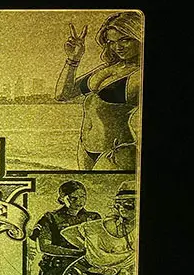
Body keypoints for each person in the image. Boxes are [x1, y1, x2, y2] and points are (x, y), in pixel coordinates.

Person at [55, 11, 142, 170]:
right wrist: (73, 59)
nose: (118, 47)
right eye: (111, 42)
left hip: (116, 152)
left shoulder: (139, 75)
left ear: (139, 37)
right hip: (86, 149)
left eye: (125, 40)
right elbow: (62, 95)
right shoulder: (107, 69)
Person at [58, 181, 138, 275]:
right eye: (118, 204)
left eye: (128, 205)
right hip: (82, 273)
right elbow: (67, 233)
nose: (121, 208)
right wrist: (87, 247)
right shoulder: (102, 225)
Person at [29, 181, 101, 275]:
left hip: (86, 273)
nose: (79, 201)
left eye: (82, 197)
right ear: (62, 198)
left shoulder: (93, 218)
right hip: (58, 271)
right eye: (73, 198)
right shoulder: (50, 217)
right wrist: (75, 253)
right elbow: (44, 247)